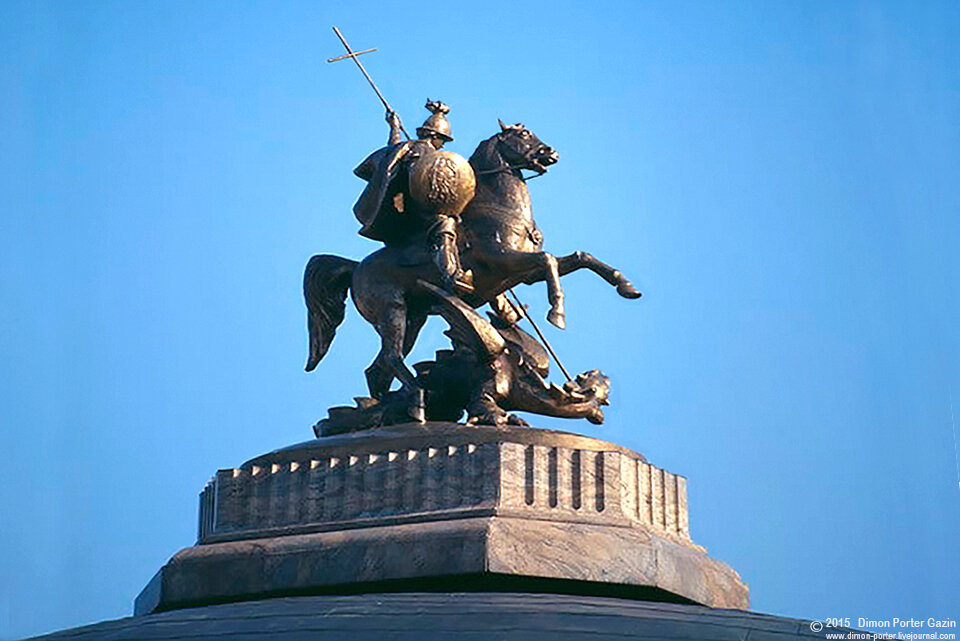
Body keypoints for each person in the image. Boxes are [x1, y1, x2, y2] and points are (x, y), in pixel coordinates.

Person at [353, 100, 473, 293]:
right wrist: (395, 128)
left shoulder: (418, 150)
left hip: (425, 205)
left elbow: (394, 147)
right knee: (445, 224)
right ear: (434, 135)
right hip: (416, 209)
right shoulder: (421, 151)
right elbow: (415, 174)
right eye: (442, 139)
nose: (442, 144)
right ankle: (452, 275)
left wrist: (394, 128)